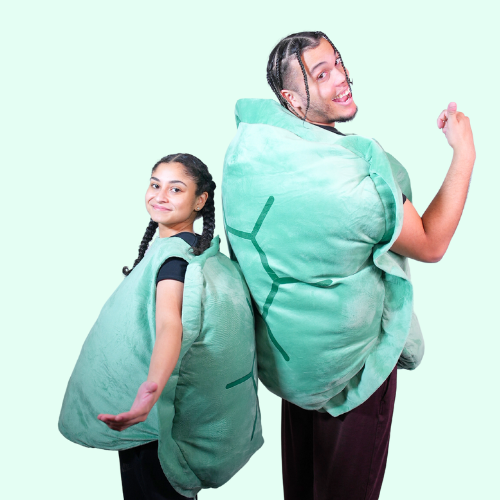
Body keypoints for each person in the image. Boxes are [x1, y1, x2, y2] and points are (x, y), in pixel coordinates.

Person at [222, 31, 475, 500]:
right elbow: (431, 242)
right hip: (356, 371)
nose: (341, 78)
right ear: (291, 98)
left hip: (296, 364)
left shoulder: (250, 152)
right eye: (321, 74)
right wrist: (465, 152)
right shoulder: (350, 182)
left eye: (337, 62)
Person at [59, 154, 263, 500]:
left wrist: (149, 392)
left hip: (152, 426)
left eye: (176, 189)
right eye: (155, 184)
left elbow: (171, 327)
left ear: (200, 201)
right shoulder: (201, 254)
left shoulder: (173, 262)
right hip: (157, 421)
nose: (160, 196)